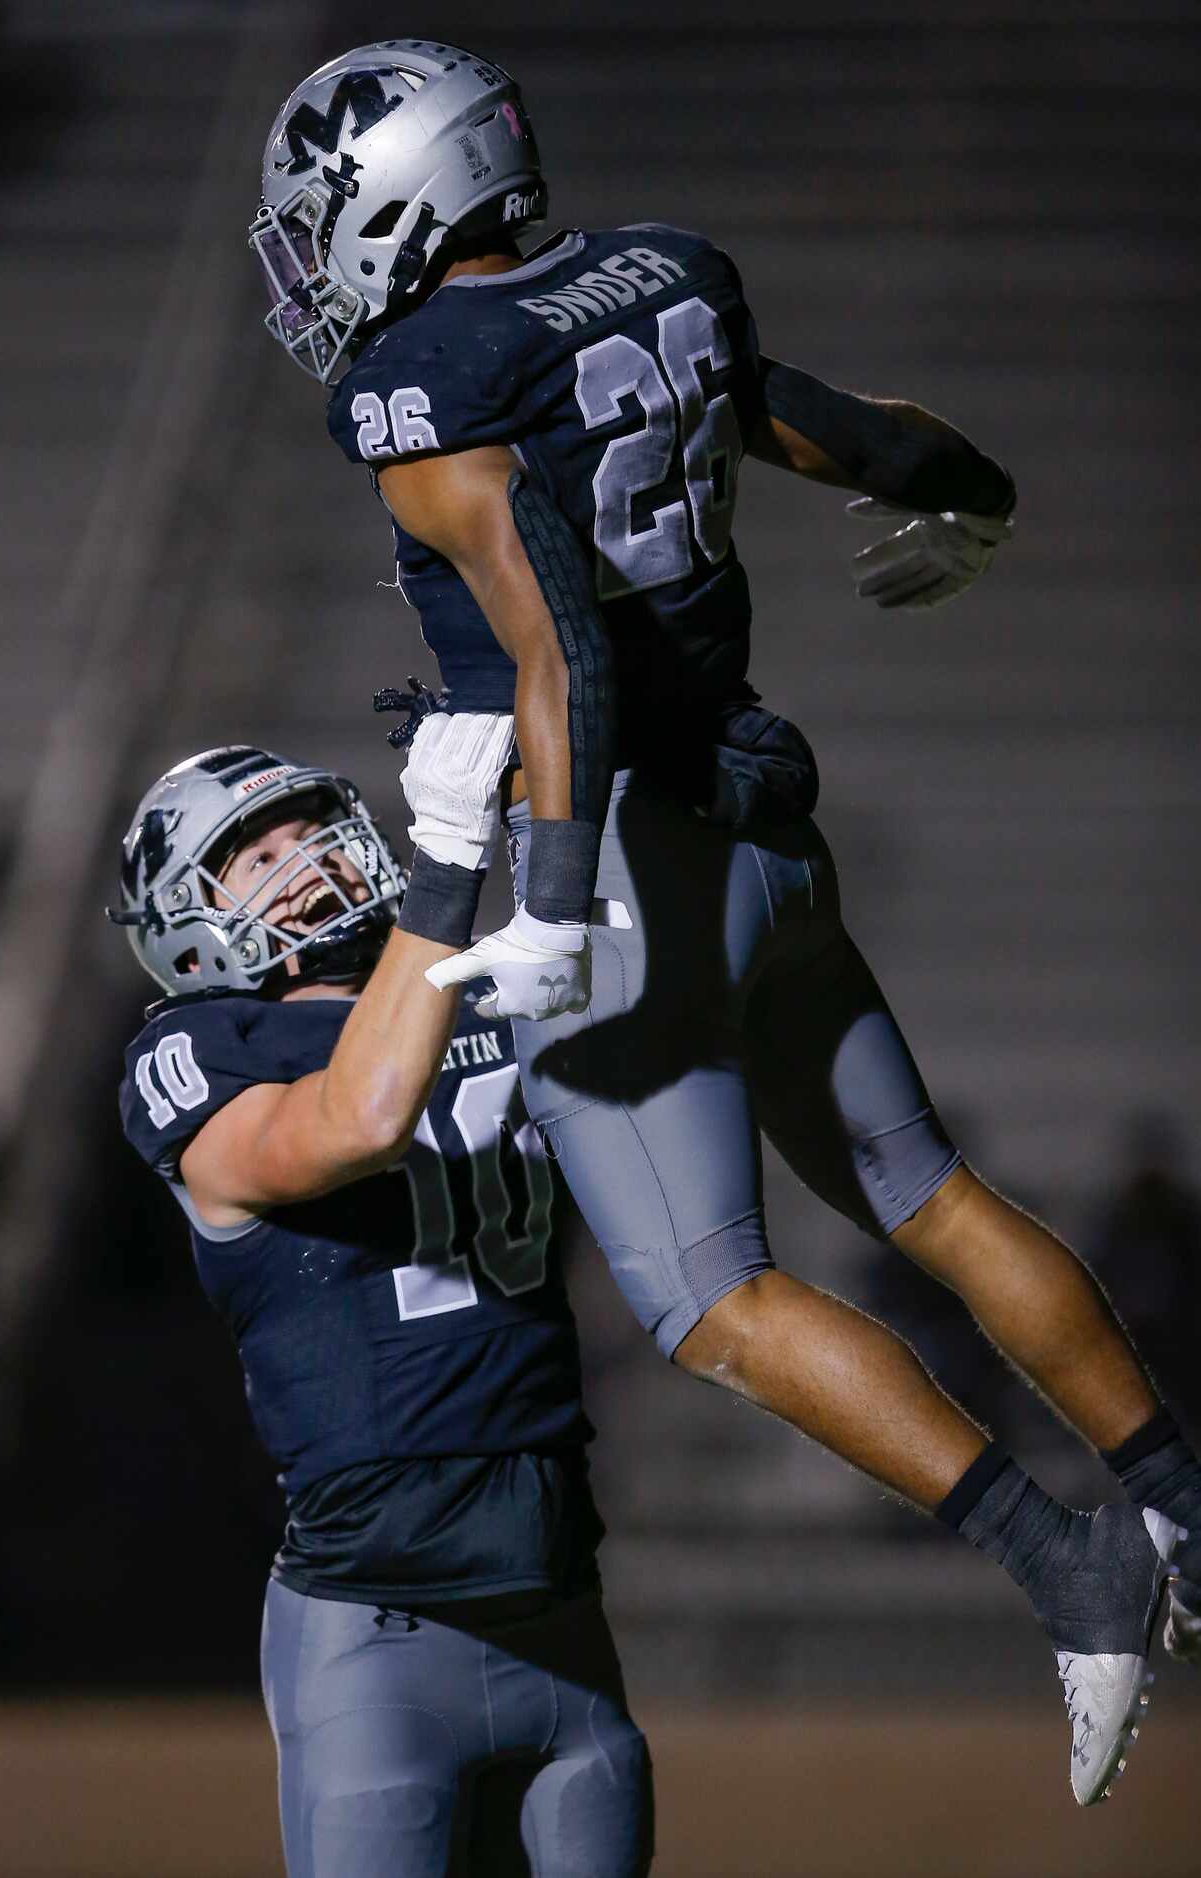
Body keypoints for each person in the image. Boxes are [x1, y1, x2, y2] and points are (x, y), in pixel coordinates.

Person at [249, 43, 1200, 1805]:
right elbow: (846, 426)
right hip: (764, 825)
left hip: (620, 865)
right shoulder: (662, 264)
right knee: (926, 1187)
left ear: (404, 191)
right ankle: (1185, 1500)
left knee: (714, 1300)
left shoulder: (422, 380)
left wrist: (542, 896)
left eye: (323, 217)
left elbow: (558, 655)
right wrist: (967, 494)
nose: (312, 261)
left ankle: (1079, 1570)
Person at [114, 744, 653, 1878]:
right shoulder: (204, 1050)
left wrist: (560, 803)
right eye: (252, 853)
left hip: (563, 1612)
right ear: (183, 920)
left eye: (306, 828)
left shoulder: (492, 979)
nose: (296, 860)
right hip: (377, 1640)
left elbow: (648, 996)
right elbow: (357, 1121)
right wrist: (450, 869)